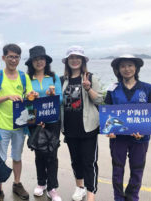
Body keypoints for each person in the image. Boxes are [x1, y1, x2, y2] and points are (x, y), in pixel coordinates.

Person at [104, 54, 151, 201]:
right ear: (118, 70)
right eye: (123, 66)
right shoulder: (112, 89)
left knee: (137, 169)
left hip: (140, 138)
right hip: (118, 138)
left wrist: (145, 130)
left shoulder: (146, 89)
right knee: (117, 169)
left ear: (136, 68)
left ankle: (132, 196)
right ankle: (118, 197)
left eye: (130, 65)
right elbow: (107, 111)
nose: (126, 69)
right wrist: (109, 131)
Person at [0, 44, 34, 201]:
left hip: (20, 125)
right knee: (0, 158)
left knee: (17, 156)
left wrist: (31, 95)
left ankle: (17, 183)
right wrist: (7, 97)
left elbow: (29, 98)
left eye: (16, 57)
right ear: (3, 58)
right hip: (1, 126)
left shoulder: (24, 77)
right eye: (10, 57)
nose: (13, 60)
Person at [61, 46, 103, 201]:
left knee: (89, 161)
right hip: (70, 128)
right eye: (71, 57)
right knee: (75, 160)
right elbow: (59, 103)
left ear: (83, 61)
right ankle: (80, 187)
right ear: (67, 61)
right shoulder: (62, 80)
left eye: (78, 57)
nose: (74, 60)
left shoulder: (91, 77)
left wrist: (89, 88)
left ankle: (91, 192)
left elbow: (99, 99)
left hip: (89, 127)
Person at [25, 46, 62, 201]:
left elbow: (60, 99)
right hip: (34, 120)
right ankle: (41, 183)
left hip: (52, 120)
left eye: (42, 59)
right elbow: (25, 103)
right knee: (39, 153)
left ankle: (52, 187)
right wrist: (29, 97)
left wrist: (53, 96)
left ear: (46, 61)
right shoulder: (26, 78)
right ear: (31, 62)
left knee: (52, 154)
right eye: (36, 59)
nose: (39, 62)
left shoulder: (54, 78)